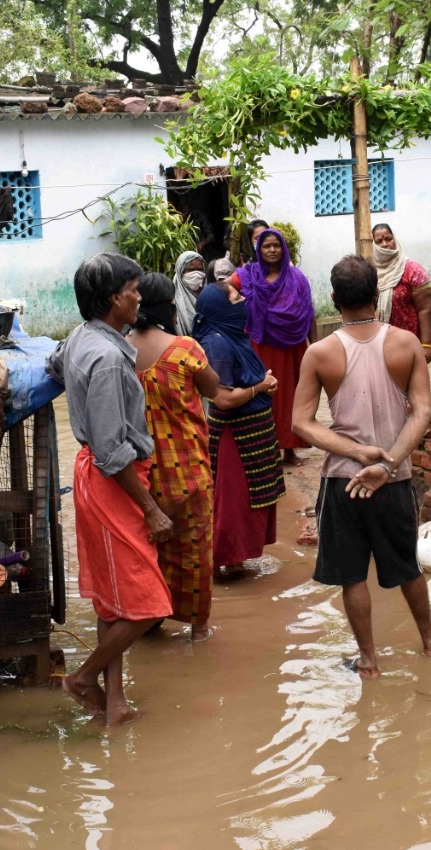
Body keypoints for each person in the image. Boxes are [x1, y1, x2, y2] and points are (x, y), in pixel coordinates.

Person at [291, 255, 431, 679]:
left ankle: (368, 661)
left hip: (343, 481)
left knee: (351, 576)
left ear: (334, 299)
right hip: (394, 478)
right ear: (376, 295)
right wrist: (387, 461)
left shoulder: (320, 352)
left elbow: (301, 423)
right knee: (407, 566)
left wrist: (357, 453)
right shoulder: (405, 343)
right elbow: (422, 413)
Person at [46, 253, 175, 724]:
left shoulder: (83, 338)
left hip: (99, 476)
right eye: (133, 289)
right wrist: (151, 508)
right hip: (113, 482)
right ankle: (83, 679)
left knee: (112, 597)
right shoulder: (105, 358)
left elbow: (54, 364)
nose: (139, 296)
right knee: (148, 605)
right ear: (112, 299)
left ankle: (115, 703)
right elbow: (109, 447)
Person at [127, 272, 221, 640]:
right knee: (196, 554)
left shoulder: (120, 350)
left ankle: (150, 622)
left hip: (140, 477)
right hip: (189, 472)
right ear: (169, 304)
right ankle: (198, 631)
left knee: (149, 554)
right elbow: (213, 388)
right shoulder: (185, 348)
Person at [192, 282, 287, 574]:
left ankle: (235, 563)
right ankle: (228, 563)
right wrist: (260, 387)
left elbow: (241, 381)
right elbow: (221, 397)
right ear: (222, 309)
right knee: (234, 505)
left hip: (252, 432)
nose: (243, 301)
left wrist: (262, 383)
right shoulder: (217, 343)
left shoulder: (233, 337)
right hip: (236, 439)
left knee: (245, 502)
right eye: (236, 298)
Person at [235, 228, 314, 464]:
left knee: (291, 397)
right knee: (262, 396)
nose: (271, 250)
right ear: (258, 249)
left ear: (284, 248)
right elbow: (222, 292)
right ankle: (264, 449)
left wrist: (314, 345)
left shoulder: (297, 278)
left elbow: (308, 313)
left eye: (276, 245)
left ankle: (290, 448)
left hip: (291, 346)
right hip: (260, 346)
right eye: (266, 245)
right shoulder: (248, 275)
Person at [371, 223, 431, 360]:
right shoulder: (371, 272)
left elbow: (425, 309)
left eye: (388, 239)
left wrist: (426, 345)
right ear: (374, 245)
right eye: (379, 241)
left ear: (395, 239)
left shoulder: (413, 271)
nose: (385, 244)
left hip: (409, 344)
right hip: (381, 345)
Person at [172, 250, 207, 336]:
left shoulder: (210, 297)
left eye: (200, 269)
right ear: (180, 272)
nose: (196, 274)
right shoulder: (172, 299)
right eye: (191, 270)